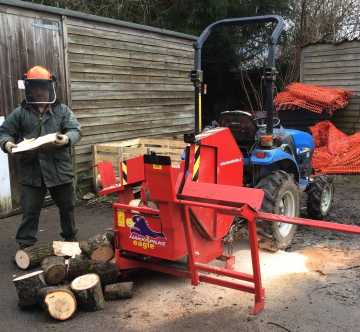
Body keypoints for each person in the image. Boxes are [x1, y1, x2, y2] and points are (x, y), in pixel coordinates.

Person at [0, 66, 81, 248]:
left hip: (59, 170)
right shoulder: (20, 113)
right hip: (32, 172)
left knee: (67, 208)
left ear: (50, 87)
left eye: (43, 87)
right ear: (29, 89)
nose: (39, 91)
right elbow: (4, 132)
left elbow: (76, 130)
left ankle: (70, 240)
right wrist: (7, 144)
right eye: (35, 87)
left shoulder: (62, 110)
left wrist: (66, 139)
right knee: (30, 211)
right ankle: (26, 246)